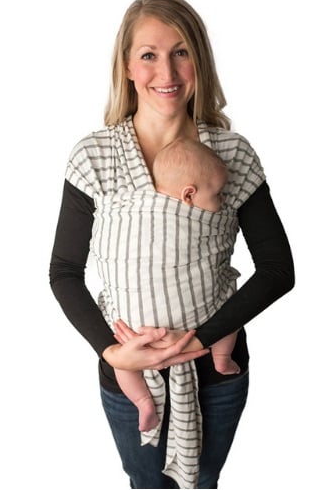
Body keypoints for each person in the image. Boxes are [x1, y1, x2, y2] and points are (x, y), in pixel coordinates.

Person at [49, 0, 295, 488]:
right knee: (146, 484)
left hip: (214, 372)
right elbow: (64, 272)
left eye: (181, 52)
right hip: (128, 372)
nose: (167, 71)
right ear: (127, 66)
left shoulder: (230, 154)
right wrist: (112, 352)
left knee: (202, 482)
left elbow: (277, 270)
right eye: (149, 54)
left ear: (199, 59)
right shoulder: (94, 156)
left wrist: (201, 341)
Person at [112, 137, 241, 434]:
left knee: (122, 360)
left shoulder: (132, 211)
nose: (222, 201)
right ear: (189, 195)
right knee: (230, 300)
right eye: (217, 194)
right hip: (198, 325)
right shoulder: (184, 220)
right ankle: (222, 357)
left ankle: (143, 402)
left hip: (137, 331)